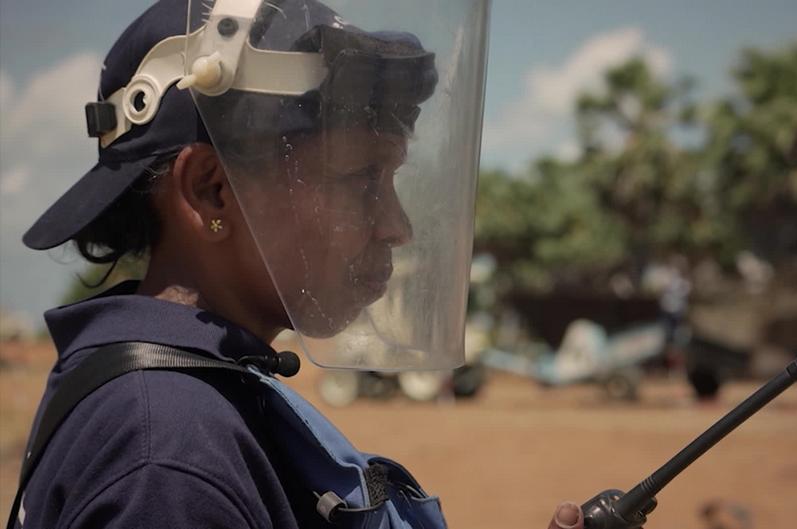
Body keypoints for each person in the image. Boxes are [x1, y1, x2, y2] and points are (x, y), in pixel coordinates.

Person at [11, 1, 608, 528]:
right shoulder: (168, 456)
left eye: (391, 179)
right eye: (359, 179)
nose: (397, 226)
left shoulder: (180, 401)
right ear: (212, 190)